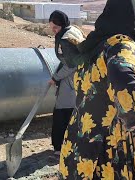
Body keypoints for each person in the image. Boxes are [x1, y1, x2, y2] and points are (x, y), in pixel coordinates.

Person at [59, 0, 135, 179]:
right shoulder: (122, 44)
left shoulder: (94, 47)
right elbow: (122, 73)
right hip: (108, 152)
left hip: (79, 143)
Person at [48, 10, 85, 154]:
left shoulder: (65, 39)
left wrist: (55, 78)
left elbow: (71, 64)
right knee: (72, 111)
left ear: (62, 25)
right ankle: (70, 144)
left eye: (55, 28)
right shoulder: (72, 30)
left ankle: (61, 147)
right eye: (52, 28)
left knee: (63, 113)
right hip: (78, 78)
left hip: (71, 81)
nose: (53, 31)